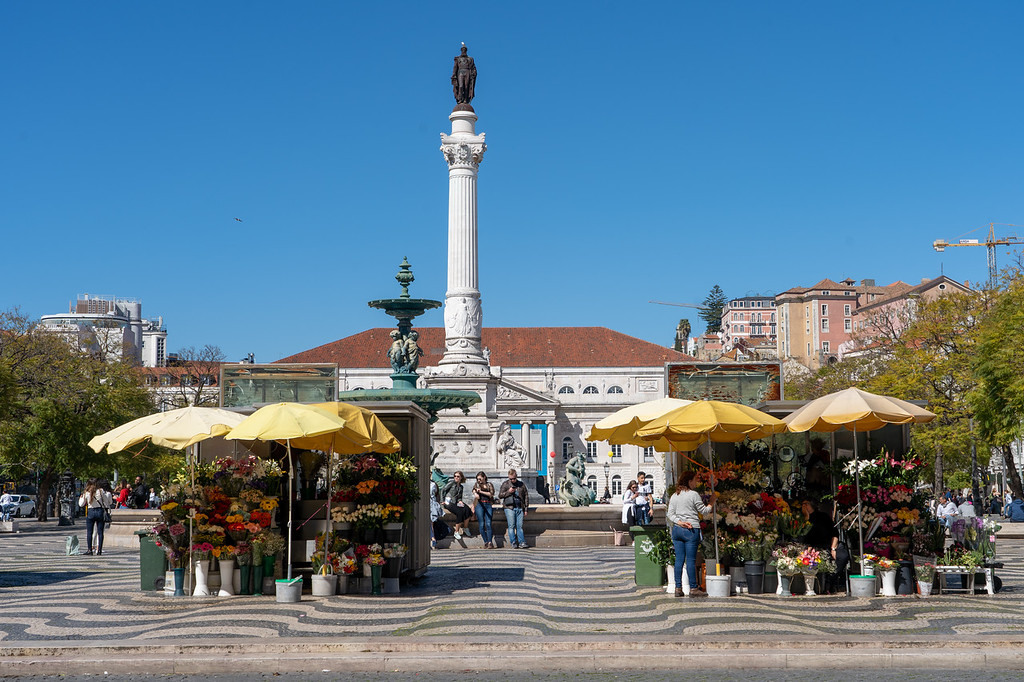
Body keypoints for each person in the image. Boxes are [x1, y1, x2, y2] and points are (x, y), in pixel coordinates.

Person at [667, 471, 711, 598]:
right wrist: (711, 502)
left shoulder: (675, 495)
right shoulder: (693, 495)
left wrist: (679, 522)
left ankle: (678, 588)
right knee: (691, 560)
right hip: (691, 529)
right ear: (689, 481)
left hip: (677, 530)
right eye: (695, 480)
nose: (696, 482)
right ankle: (693, 588)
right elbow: (704, 511)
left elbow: (670, 514)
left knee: (679, 560)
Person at [78, 479, 113, 556]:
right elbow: (107, 502)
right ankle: (99, 550)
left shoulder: (86, 492)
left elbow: (81, 504)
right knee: (100, 532)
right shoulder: (100, 491)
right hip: (100, 511)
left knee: (89, 532)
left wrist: (81, 498)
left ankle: (90, 549)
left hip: (90, 512)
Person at [499, 468, 530, 549]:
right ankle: (513, 542)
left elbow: (526, 496)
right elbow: (500, 495)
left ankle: (522, 542)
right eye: (510, 479)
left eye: (514, 478)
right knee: (511, 526)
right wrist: (509, 491)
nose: (512, 480)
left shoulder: (521, 484)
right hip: (509, 507)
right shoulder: (505, 484)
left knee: (519, 526)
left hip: (520, 507)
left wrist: (526, 508)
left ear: (516, 476)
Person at [441, 471, 473, 540]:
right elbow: (443, 490)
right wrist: (442, 501)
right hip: (448, 502)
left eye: (458, 476)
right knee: (459, 512)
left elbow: (459, 497)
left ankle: (465, 527)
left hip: (455, 503)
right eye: (455, 476)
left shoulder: (461, 487)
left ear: (461, 477)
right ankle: (456, 532)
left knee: (467, 510)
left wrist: (460, 501)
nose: (456, 477)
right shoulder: (451, 483)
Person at [472, 471, 496, 548]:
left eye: (480, 479)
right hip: (479, 504)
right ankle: (485, 541)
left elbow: (491, 494)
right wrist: (475, 493)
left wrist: (481, 491)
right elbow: (476, 495)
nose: (479, 481)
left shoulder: (489, 485)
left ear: (484, 477)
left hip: (488, 504)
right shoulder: (476, 485)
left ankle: (490, 542)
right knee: (481, 524)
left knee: (488, 524)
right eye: (477, 479)